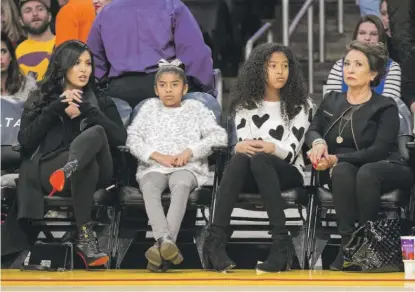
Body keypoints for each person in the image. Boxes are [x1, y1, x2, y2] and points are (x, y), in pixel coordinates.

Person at [16, 40, 126, 268]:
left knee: (96, 132)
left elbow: (121, 139)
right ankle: (85, 238)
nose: (84, 69)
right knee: (87, 166)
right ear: (63, 66)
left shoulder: (101, 100)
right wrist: (55, 107)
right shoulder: (41, 99)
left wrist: (88, 110)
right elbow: (25, 142)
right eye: (77, 63)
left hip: (92, 173)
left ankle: (70, 168)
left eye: (88, 63)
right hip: (50, 169)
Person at [204, 43, 313, 273]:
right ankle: (215, 242)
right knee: (243, 158)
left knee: (260, 158)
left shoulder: (301, 105)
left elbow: (291, 151)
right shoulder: (245, 105)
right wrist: (243, 147)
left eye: (285, 66)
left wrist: (269, 146)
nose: (280, 71)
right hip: (253, 169)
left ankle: (280, 245)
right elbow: (245, 145)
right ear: (259, 70)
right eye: (273, 66)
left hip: (287, 171)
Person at [306, 41, 413, 271]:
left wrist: (337, 159)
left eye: (358, 65)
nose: (350, 70)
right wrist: (318, 142)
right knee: (343, 171)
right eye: (347, 64)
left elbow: (379, 150)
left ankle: (371, 246)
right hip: (340, 168)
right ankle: (349, 248)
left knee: (366, 172)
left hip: (384, 165)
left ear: (373, 73)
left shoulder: (385, 106)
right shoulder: (332, 100)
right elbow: (313, 129)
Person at [126, 59, 227, 272]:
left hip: (187, 167)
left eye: (174, 85)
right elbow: (132, 138)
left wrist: (190, 151)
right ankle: (166, 242)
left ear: (185, 88)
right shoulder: (148, 108)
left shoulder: (196, 108)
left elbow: (219, 136)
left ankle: (159, 245)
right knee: (150, 187)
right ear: (156, 89)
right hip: (153, 166)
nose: (168, 90)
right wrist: (156, 156)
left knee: (181, 185)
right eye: (163, 85)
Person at [87, 0, 215, 109]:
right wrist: (206, 91)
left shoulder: (106, 13)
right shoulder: (172, 6)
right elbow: (196, 58)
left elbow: (94, 62)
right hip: (164, 89)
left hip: (118, 93)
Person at [325, 15, 401, 102]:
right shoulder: (340, 65)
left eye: (373, 34)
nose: (367, 38)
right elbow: (330, 102)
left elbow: (389, 105)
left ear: (381, 38)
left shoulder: (392, 67)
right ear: (355, 36)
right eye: (362, 33)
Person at [1, 32, 36, 175]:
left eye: (3, 51)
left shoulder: (27, 85)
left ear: (11, 55)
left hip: (19, 147)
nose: (0, 58)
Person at [16, 0, 55, 81]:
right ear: (21, 21)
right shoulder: (16, 51)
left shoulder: (64, 43)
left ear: (50, 16)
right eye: (28, 11)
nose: (35, 14)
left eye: (40, 9)